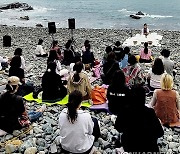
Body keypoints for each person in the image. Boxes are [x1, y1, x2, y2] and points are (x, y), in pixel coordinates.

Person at [115, 85, 164, 152]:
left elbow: (118, 128)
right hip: (149, 147)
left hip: (129, 146)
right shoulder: (150, 112)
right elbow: (160, 133)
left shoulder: (124, 111)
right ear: (144, 97)